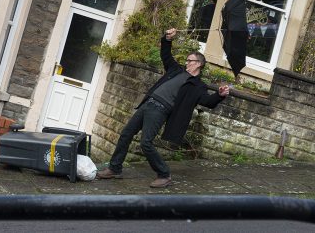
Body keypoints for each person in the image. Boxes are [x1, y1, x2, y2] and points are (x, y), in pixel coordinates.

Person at [97, 27, 230, 188]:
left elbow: (208, 101)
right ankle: (115, 168)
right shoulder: (176, 70)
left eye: (190, 60)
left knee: (146, 142)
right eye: (187, 60)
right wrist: (167, 39)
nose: (186, 62)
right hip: (148, 103)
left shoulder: (198, 86)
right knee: (126, 133)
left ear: (199, 64)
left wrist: (220, 95)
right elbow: (166, 55)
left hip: (160, 109)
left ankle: (164, 174)